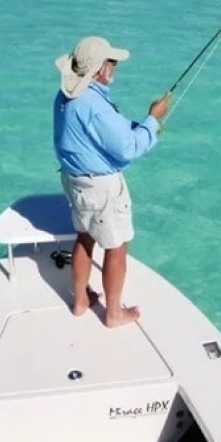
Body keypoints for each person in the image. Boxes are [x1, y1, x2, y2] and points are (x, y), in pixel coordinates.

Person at [53, 36, 170, 328]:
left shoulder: (65, 96)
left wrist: (138, 126)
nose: (114, 68)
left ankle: (80, 301)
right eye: (112, 63)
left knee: (84, 236)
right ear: (101, 69)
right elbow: (128, 147)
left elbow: (98, 133)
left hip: (75, 181)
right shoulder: (94, 104)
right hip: (101, 188)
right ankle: (114, 314)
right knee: (116, 247)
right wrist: (153, 120)